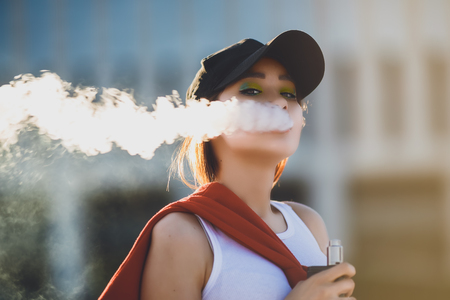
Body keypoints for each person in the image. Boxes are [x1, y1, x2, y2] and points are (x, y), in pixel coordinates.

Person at [99, 30, 356, 300]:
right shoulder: (183, 235)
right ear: (207, 118)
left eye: (289, 93)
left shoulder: (308, 223)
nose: (280, 102)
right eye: (252, 91)